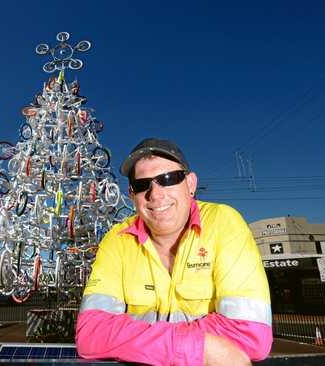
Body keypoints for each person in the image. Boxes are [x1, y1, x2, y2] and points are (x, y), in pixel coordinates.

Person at [75, 138, 272, 366]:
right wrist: (198, 347)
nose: (156, 195)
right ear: (131, 195)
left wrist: (137, 343)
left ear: (190, 184)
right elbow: (91, 334)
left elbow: (250, 335)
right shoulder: (116, 240)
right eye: (142, 185)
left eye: (168, 179)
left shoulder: (224, 223)